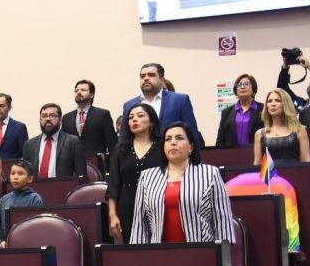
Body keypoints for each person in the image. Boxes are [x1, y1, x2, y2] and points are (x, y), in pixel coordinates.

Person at [129, 122, 236, 244]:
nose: (173, 142)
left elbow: (222, 220)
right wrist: (137, 254)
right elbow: (140, 225)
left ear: (191, 146)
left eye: (179, 138)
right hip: (159, 252)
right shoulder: (147, 177)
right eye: (168, 139)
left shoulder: (210, 173)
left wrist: (223, 253)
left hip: (201, 251)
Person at [107, 104, 163, 243]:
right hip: (127, 206)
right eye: (131, 117)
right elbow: (113, 185)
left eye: (140, 115)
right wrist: (113, 215)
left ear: (152, 121)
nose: (134, 120)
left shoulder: (162, 146)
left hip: (158, 205)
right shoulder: (121, 148)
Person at [121, 63, 203, 147]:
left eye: (151, 75)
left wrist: (194, 154)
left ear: (162, 80)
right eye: (142, 76)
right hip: (139, 153)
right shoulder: (129, 105)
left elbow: (191, 133)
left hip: (171, 152)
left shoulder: (179, 100)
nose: (146, 78)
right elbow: (124, 137)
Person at [22, 104, 88, 179]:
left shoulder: (73, 142)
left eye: (52, 115)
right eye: (44, 116)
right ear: (40, 120)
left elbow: (82, 175)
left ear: (60, 119)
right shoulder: (29, 144)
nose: (48, 119)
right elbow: (25, 175)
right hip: (36, 186)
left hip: (64, 186)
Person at [0, 160, 43, 248]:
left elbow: (39, 228)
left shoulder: (35, 199)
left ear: (30, 179)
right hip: (8, 247)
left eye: (20, 174)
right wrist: (1, 240)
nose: (15, 177)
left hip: (29, 246)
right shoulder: (2, 201)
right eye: (12, 173)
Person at [254, 89, 310, 165]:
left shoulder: (300, 131)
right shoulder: (259, 134)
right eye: (270, 101)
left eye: (278, 100)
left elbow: (306, 162)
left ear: (286, 104)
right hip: (269, 173)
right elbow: (257, 164)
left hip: (293, 172)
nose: (273, 104)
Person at [62, 80, 118, 159]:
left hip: (96, 162)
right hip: (72, 163)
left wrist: (113, 164)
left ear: (91, 95)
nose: (79, 92)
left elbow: (112, 143)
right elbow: (63, 144)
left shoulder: (102, 114)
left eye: (83, 90)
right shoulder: (66, 118)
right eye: (76, 91)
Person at [215, 74, 264, 147]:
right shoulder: (226, 112)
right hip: (232, 153)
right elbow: (220, 140)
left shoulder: (263, 109)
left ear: (253, 88)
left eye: (246, 84)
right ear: (236, 90)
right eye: (239, 84)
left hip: (256, 152)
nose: (242, 87)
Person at [0, 93, 29, 159]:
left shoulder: (19, 127)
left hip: (12, 165)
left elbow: (25, 154)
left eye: (2, 106)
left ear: (9, 107)